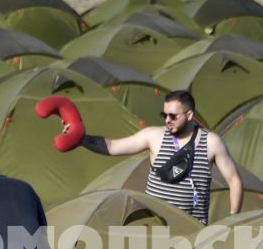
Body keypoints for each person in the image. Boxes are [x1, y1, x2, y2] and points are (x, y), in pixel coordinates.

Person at [74, 89, 242, 223]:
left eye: (173, 116)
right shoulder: (154, 136)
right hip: (155, 226)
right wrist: (80, 138)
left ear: (190, 115)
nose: (167, 120)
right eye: (164, 115)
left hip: (192, 230)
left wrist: (232, 219)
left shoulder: (211, 142)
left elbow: (234, 180)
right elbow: (111, 146)